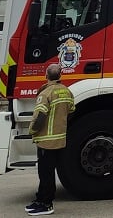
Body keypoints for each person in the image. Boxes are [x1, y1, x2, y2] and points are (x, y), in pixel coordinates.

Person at [25, 63, 75, 216]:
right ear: (60, 75)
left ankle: (46, 204)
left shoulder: (45, 93)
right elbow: (71, 111)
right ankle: (40, 199)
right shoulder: (67, 92)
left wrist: (32, 130)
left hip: (46, 140)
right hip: (60, 139)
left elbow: (40, 116)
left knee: (45, 174)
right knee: (49, 172)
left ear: (46, 76)